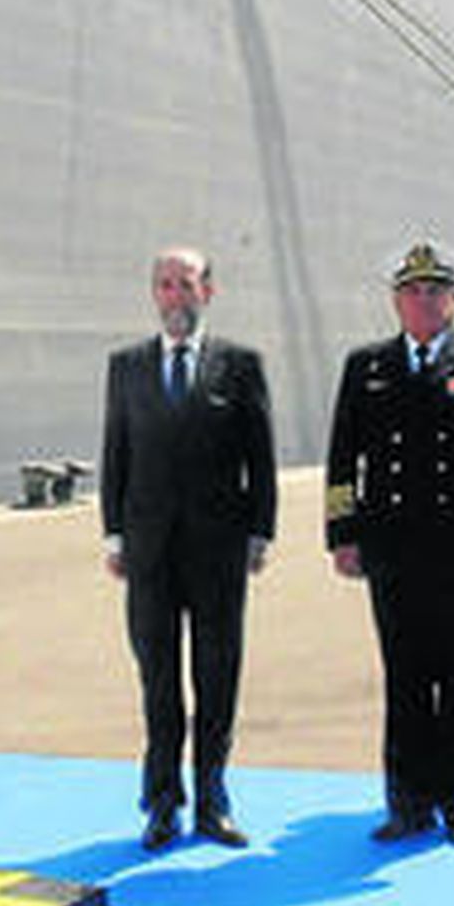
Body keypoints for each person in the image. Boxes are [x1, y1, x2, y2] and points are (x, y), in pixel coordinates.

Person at [325, 240, 454, 844]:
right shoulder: (367, 364)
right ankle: (407, 801)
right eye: (412, 291)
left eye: (435, 291)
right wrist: (343, 535)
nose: (423, 301)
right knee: (405, 678)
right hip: (392, 549)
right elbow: (343, 457)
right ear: (396, 301)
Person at [100, 247, 277, 851]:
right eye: (165, 285)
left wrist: (261, 532)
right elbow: (115, 455)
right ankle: (161, 802)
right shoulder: (126, 366)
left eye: (186, 284)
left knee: (217, 676)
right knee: (159, 681)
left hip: (218, 551)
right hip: (149, 551)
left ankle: (213, 799)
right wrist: (114, 535)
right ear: (155, 294)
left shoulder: (240, 364)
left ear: (209, 290)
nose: (175, 295)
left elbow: (261, 457)